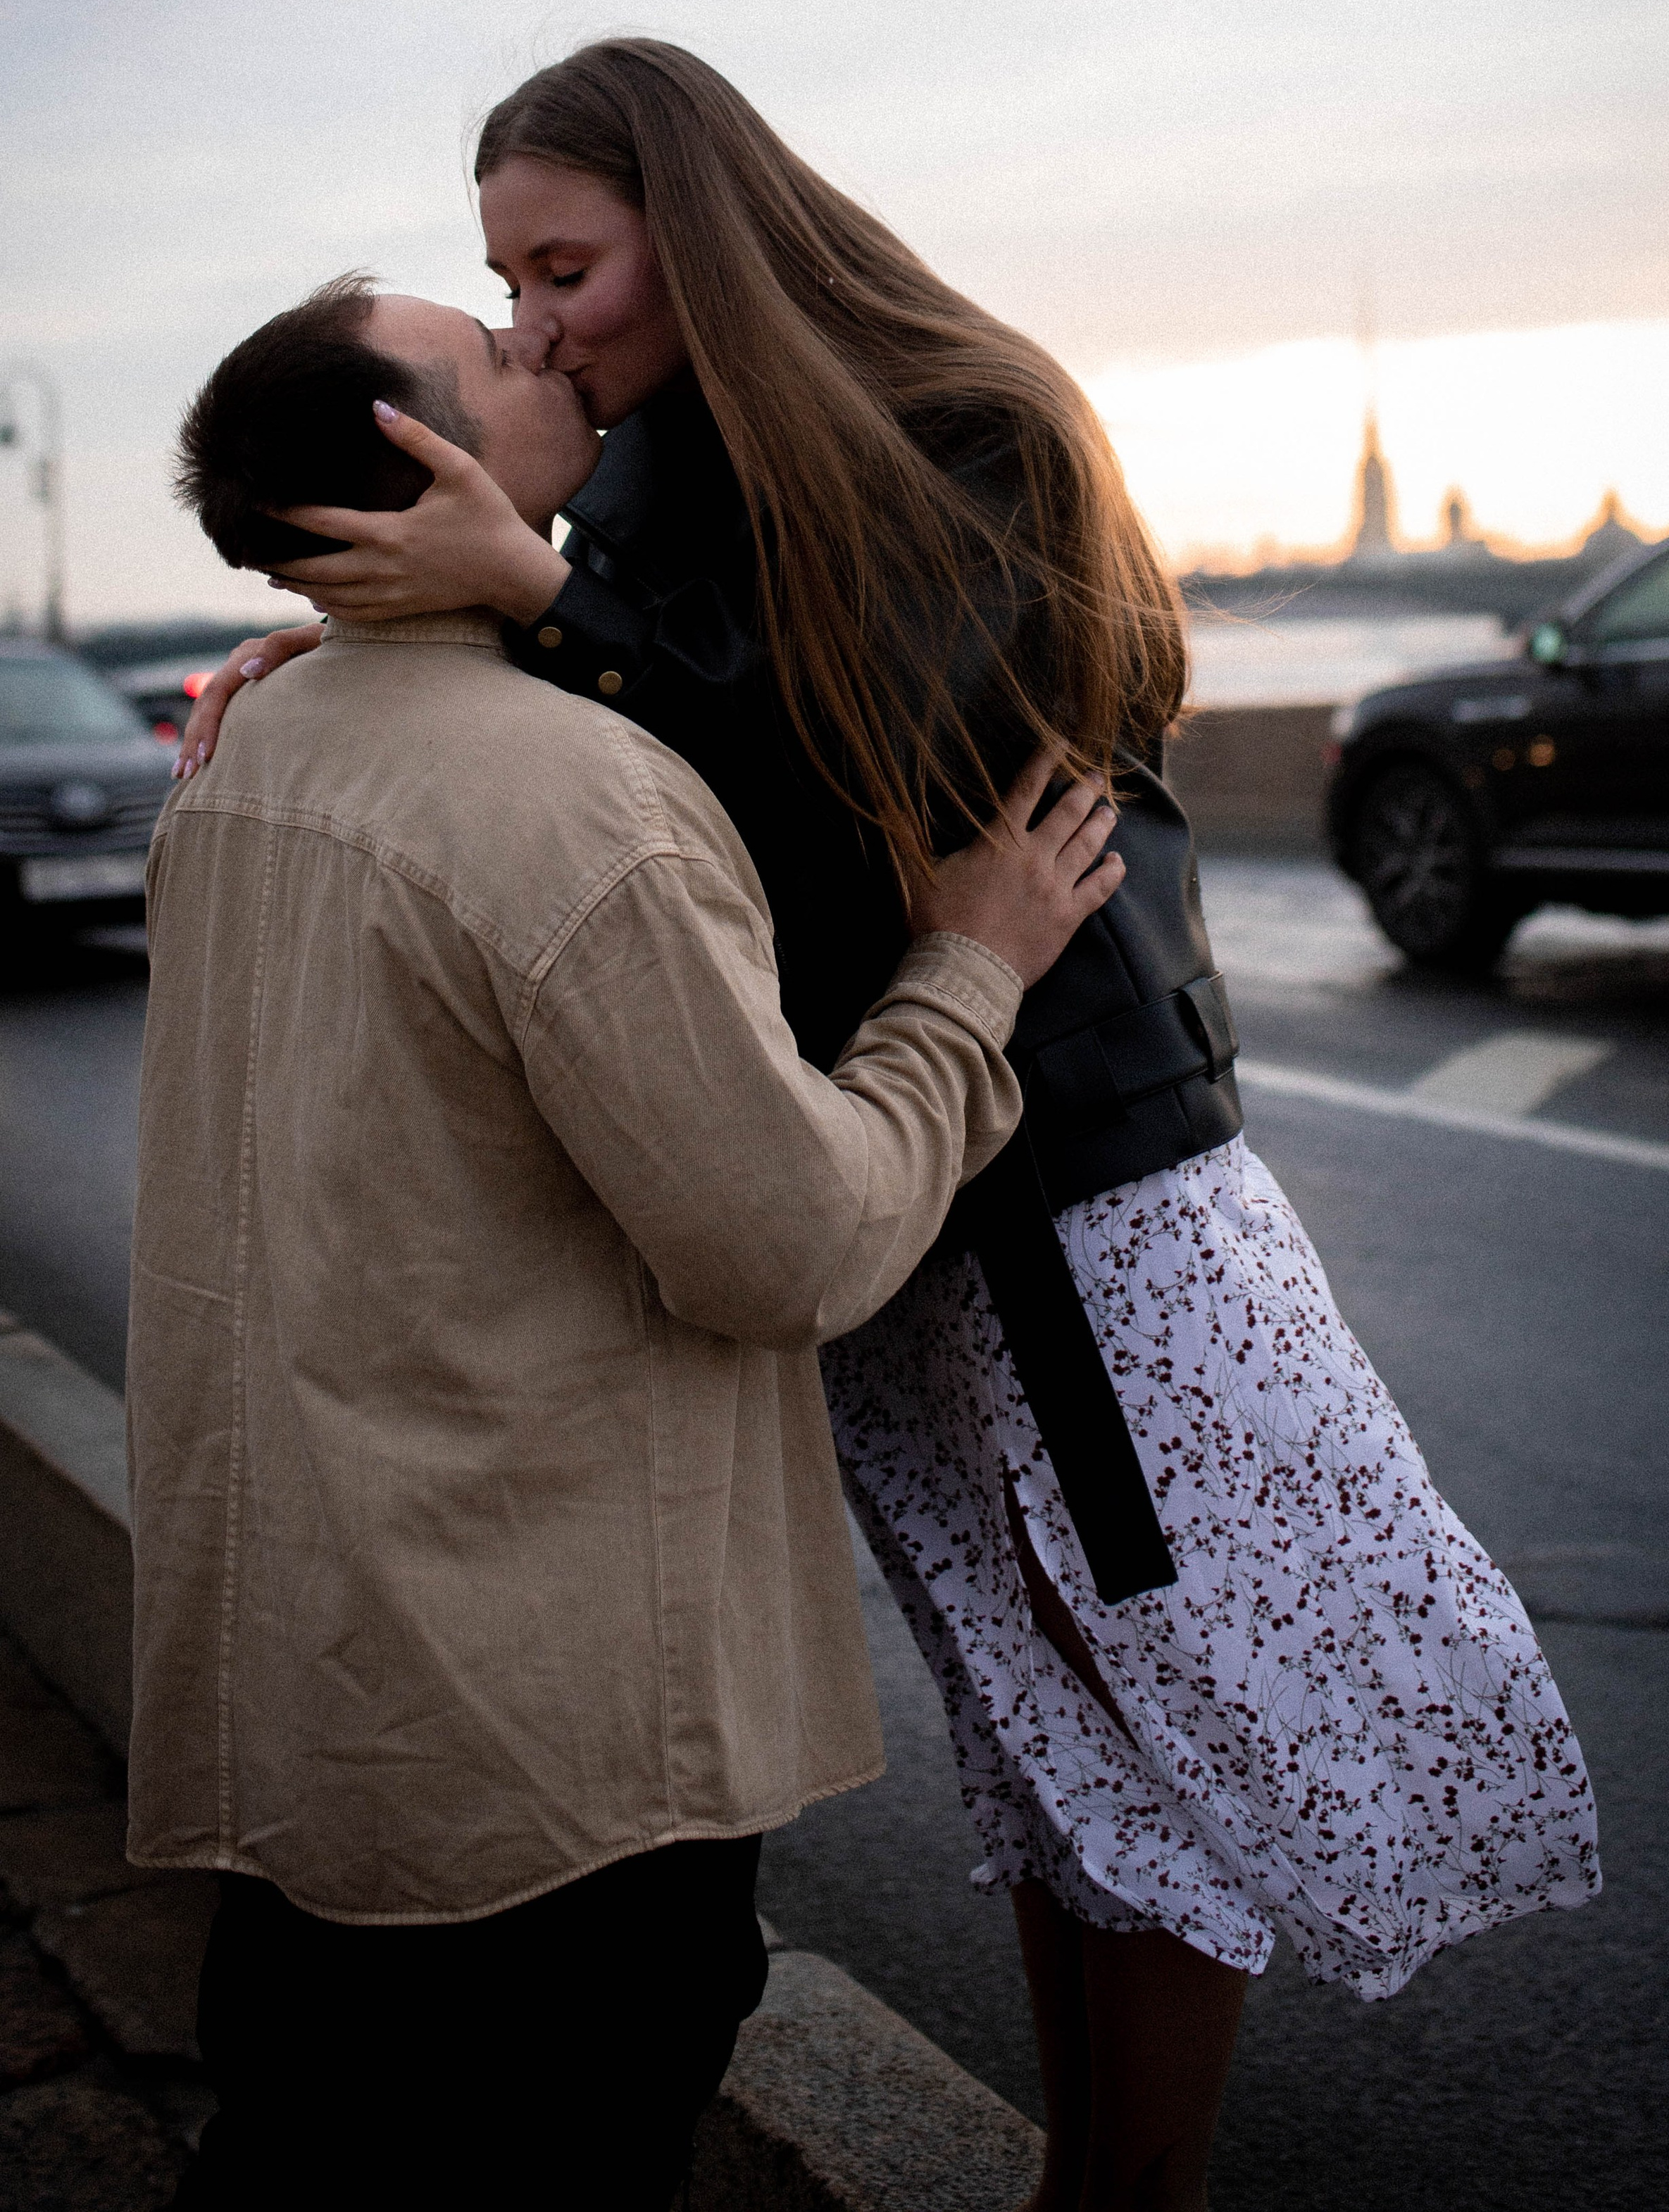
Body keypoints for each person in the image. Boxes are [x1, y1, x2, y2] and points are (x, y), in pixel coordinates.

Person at [184, 43, 1601, 2211]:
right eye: (506, 285)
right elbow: (608, 781)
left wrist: (541, 602)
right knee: (1049, 1740)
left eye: (564, 265)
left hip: (1078, 1169)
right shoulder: (630, 476)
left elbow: (887, 767)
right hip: (881, 1158)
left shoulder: (964, 423)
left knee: (1189, 1715)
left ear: (705, 219)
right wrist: (363, 634)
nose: (544, 323)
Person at [136, 273, 1125, 2211]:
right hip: (545, 1748)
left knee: (299, 2141)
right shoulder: (578, 803)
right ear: (425, 458)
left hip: (320, 1692)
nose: (545, 348)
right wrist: (968, 976)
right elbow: (793, 1245)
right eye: (493, 351)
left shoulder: (241, 755)